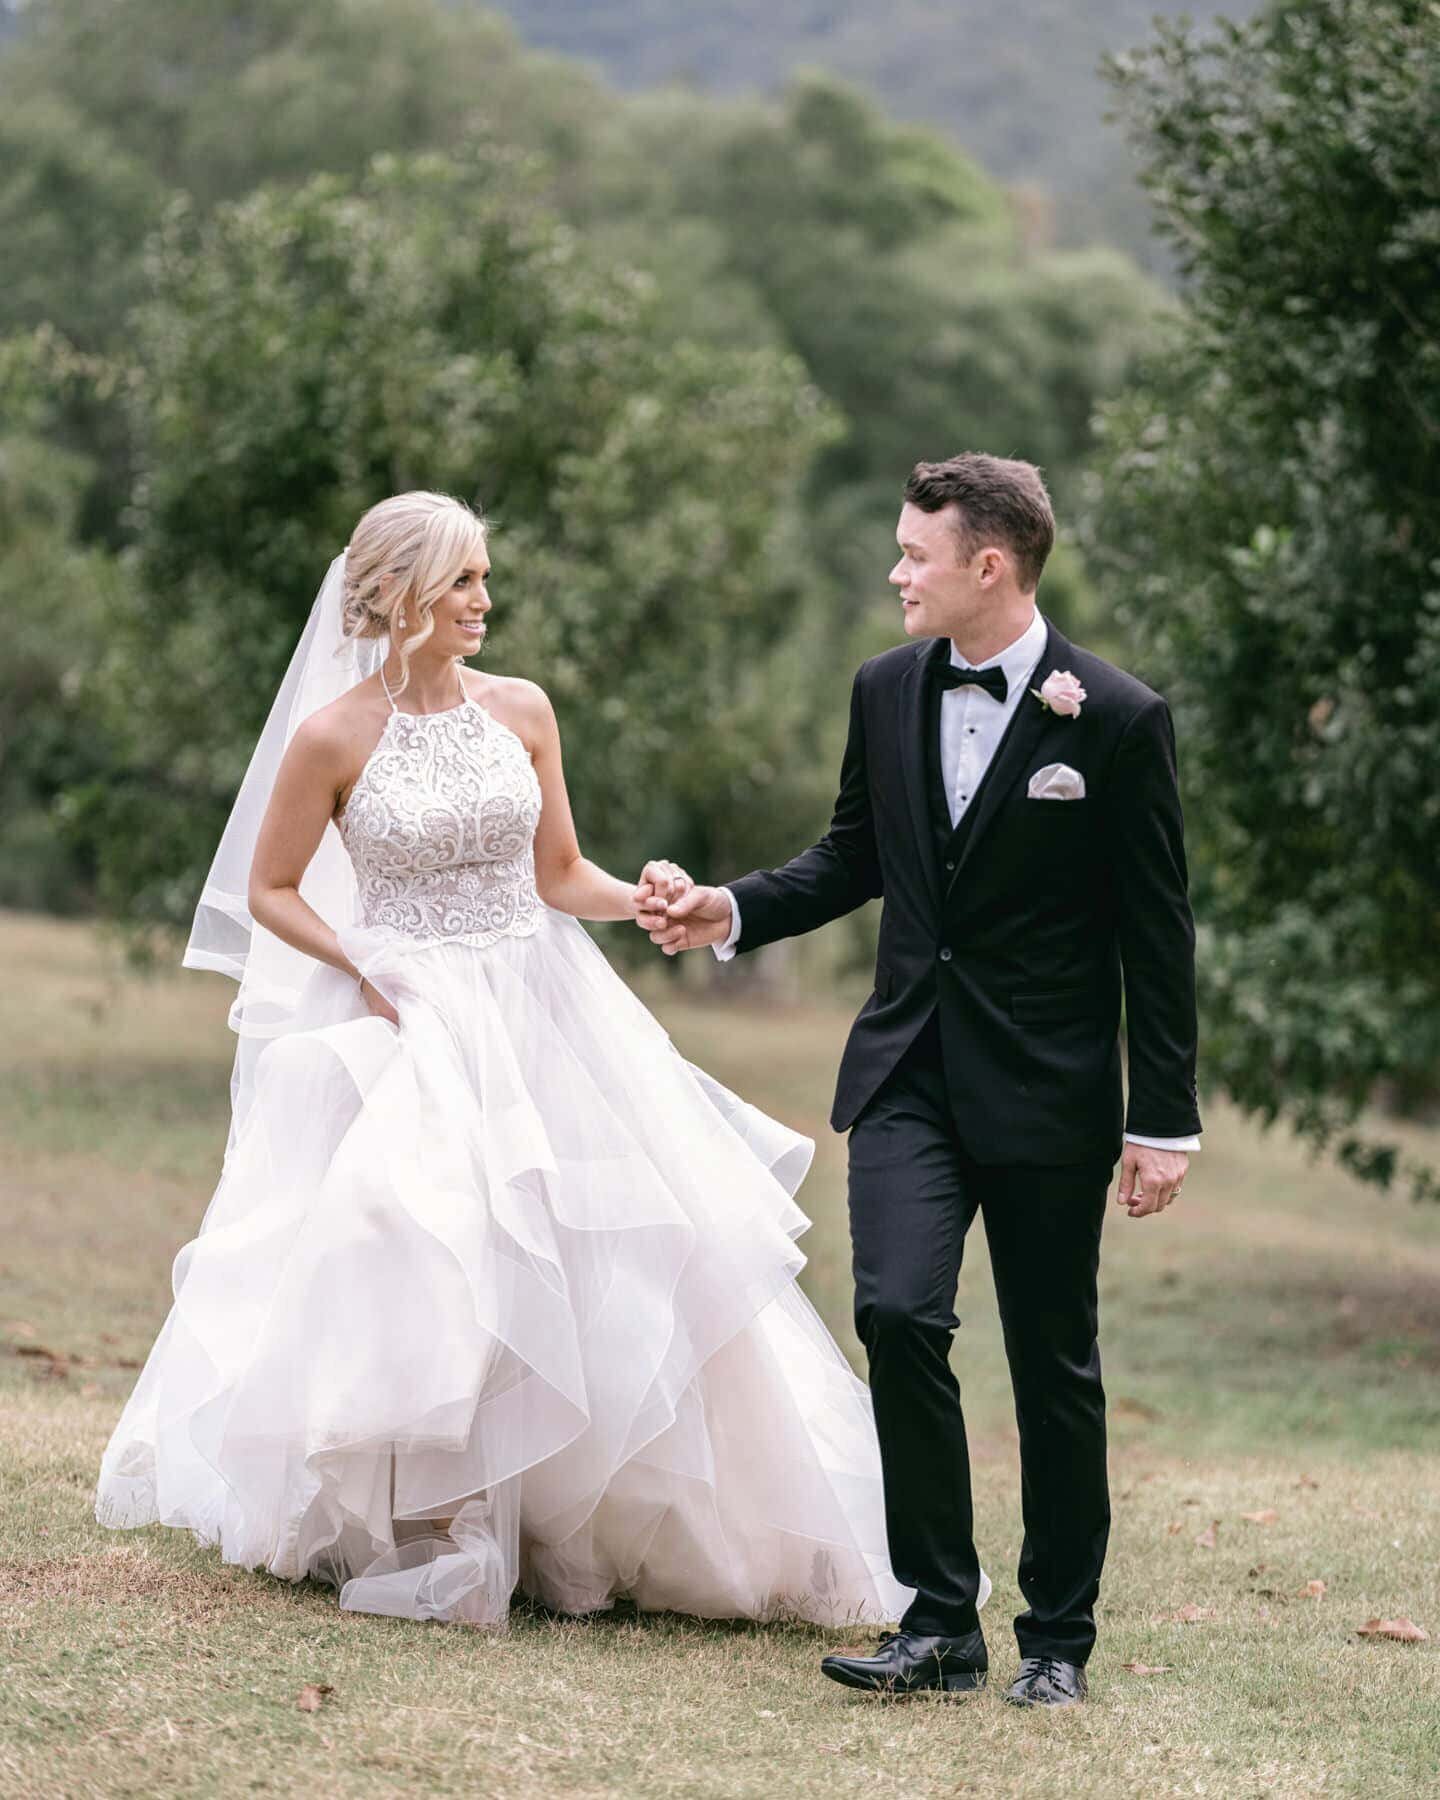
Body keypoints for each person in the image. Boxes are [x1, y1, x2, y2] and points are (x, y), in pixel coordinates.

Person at [96, 489, 993, 1637]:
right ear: (402, 593)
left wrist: (657, 900)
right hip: (410, 1011)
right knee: (416, 1235)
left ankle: (575, 1519)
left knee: (604, 1250)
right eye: (464, 580)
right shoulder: (334, 734)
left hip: (541, 999)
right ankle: (430, 1519)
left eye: (482, 578)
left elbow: (559, 871)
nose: (484, 600)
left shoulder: (520, 710)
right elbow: (269, 891)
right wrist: (365, 965)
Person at [641, 453, 1201, 1706]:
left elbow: (1156, 935)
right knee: (898, 1313)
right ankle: (941, 1620)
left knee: (1056, 1363)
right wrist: (729, 908)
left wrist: (1162, 1120)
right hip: (906, 1072)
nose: (896, 571)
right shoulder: (885, 690)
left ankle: (1057, 1638)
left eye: (915, 553)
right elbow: (853, 856)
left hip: (1052, 1093)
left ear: (986, 566)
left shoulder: (1113, 718)